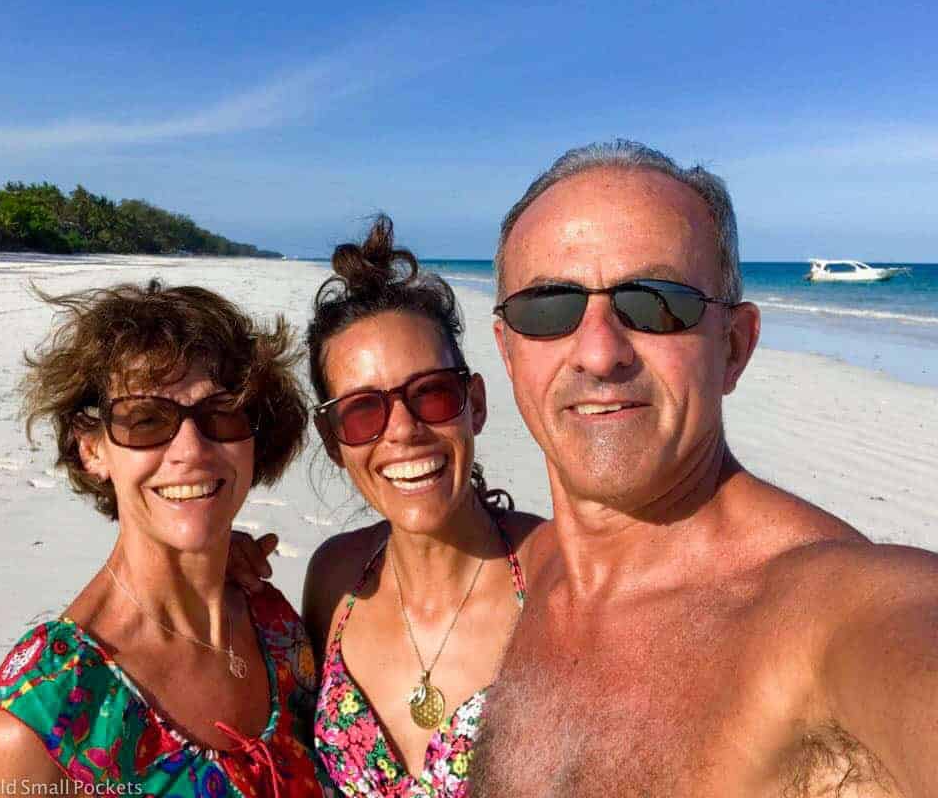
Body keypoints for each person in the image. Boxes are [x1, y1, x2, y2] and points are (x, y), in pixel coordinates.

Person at [468, 140, 938, 797]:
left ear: (735, 347)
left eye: (657, 301)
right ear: (510, 354)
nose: (599, 353)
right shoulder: (527, 568)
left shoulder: (829, 613)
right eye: (548, 308)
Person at [0, 281, 330, 797]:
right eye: (145, 420)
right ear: (92, 449)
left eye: (221, 413)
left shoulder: (274, 622)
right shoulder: (40, 720)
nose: (191, 450)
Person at [300, 217, 543, 797]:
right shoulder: (334, 580)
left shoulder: (558, 573)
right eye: (364, 411)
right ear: (334, 439)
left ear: (474, 404)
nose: (404, 432)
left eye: (431, 394)